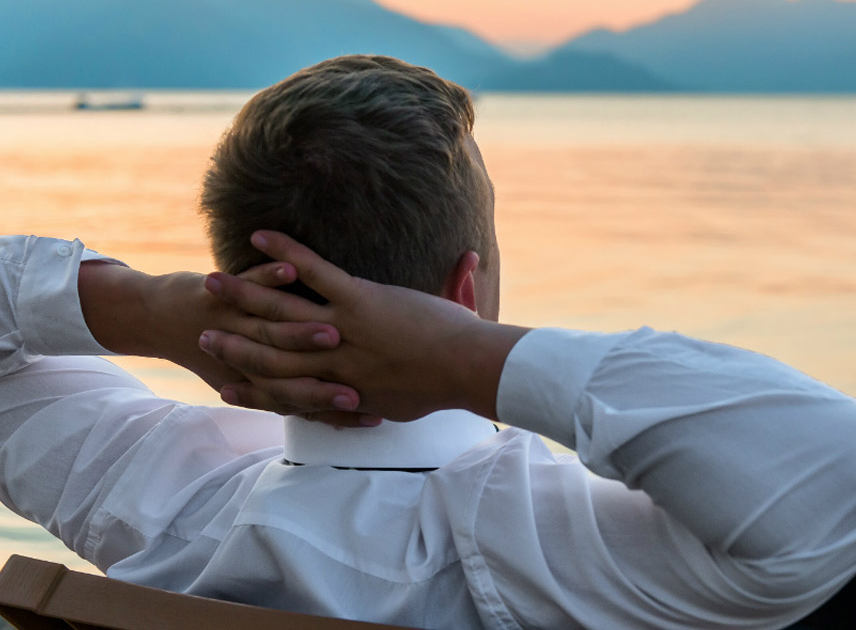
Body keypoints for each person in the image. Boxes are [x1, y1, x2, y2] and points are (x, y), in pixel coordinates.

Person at [0, 55, 854, 629]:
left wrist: (151, 309)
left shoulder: (159, 503)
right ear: (462, 290)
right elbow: (833, 481)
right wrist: (470, 361)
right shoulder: (560, 558)